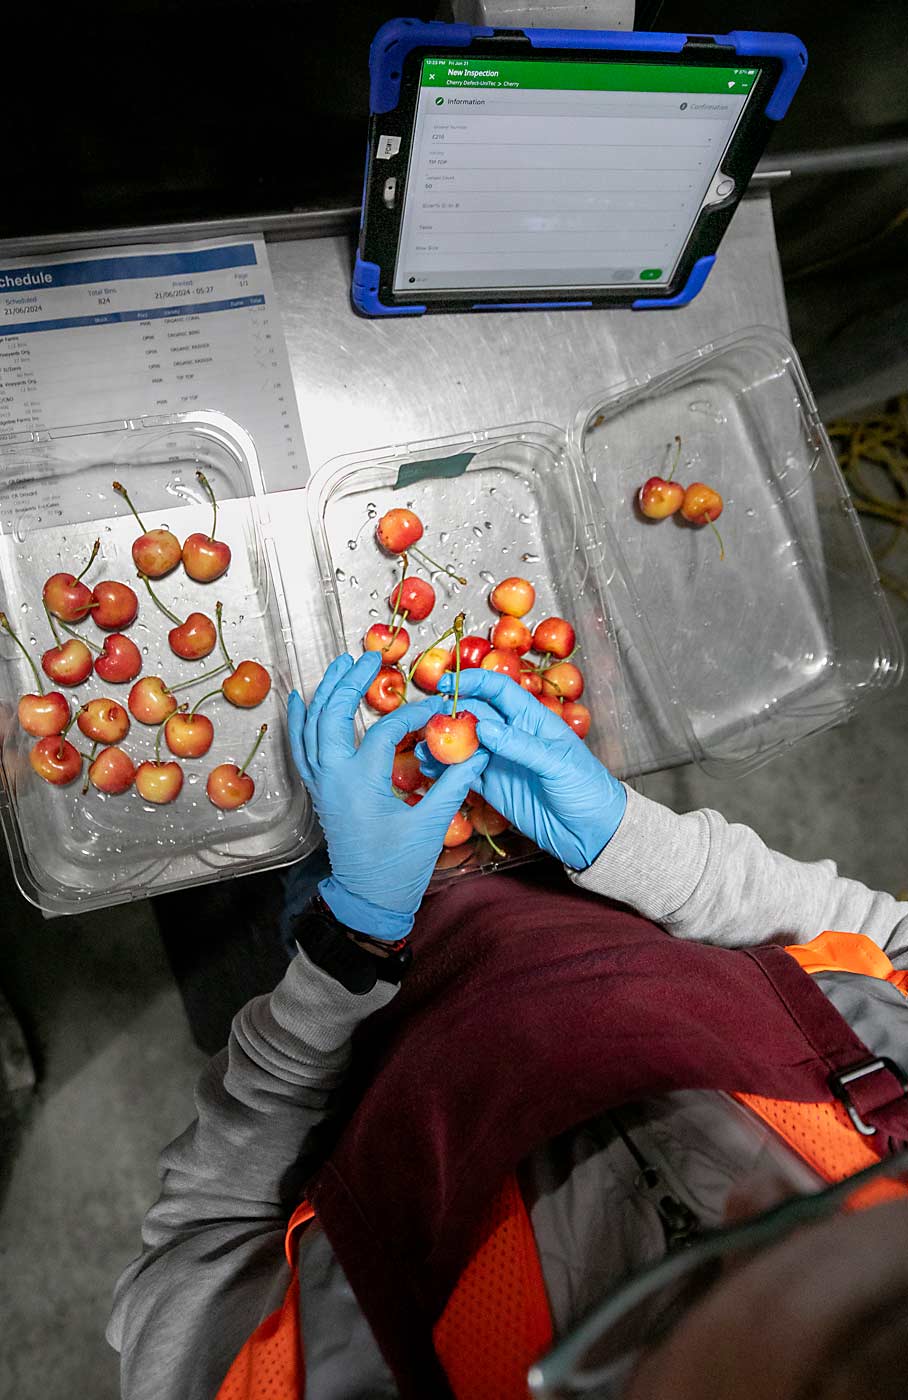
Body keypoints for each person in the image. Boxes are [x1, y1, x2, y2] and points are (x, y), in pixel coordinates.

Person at [108, 652, 908, 1400]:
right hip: (583, 872)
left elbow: (199, 1243)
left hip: (326, 983)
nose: (760, 1186)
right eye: (847, 1201)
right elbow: (891, 943)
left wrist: (343, 951)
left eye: (704, 1289)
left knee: (229, 819)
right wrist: (633, 842)